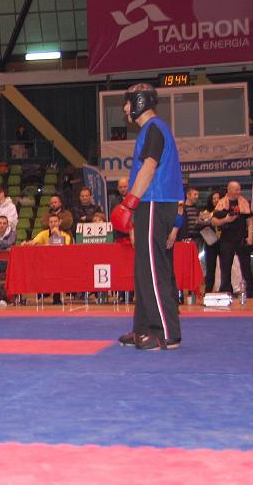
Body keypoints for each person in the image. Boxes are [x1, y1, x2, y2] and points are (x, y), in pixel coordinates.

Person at [111, 83, 183, 351]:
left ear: (140, 102)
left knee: (154, 269)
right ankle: (143, 328)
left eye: (128, 102)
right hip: (150, 203)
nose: (125, 108)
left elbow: (149, 168)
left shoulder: (154, 128)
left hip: (154, 200)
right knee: (143, 268)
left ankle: (165, 332)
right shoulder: (151, 130)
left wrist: (129, 204)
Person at [212, 181, 253, 299]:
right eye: (236, 189)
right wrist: (226, 220)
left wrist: (250, 237)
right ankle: (226, 290)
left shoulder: (244, 203)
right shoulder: (221, 203)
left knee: (246, 266)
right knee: (225, 266)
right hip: (227, 239)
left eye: (239, 189)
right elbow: (214, 221)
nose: (238, 192)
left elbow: (250, 222)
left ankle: (251, 291)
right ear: (229, 190)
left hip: (242, 238)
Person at [200, 190, 222, 294]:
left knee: (225, 267)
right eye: (214, 198)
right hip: (210, 242)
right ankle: (208, 289)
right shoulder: (206, 212)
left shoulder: (225, 211)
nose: (216, 200)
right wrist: (203, 223)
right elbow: (199, 226)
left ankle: (225, 288)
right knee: (210, 268)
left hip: (223, 242)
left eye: (218, 198)